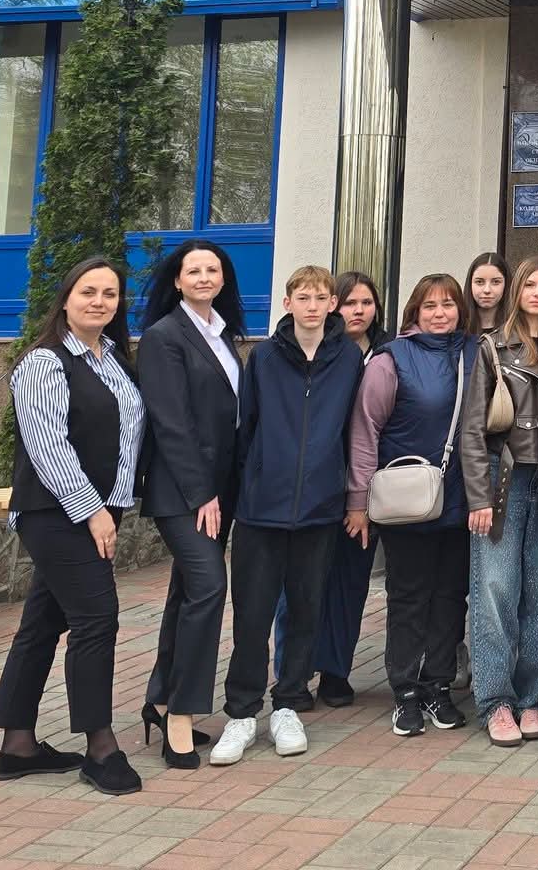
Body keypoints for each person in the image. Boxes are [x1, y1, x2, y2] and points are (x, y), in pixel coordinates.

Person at [0, 257, 146, 796]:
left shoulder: (112, 359)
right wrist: (93, 511)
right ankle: (101, 749)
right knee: (97, 619)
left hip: (99, 509)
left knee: (42, 623)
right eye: (88, 292)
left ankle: (17, 746)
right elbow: (47, 444)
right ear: (66, 298)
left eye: (110, 294)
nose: (99, 301)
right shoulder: (44, 362)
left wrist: (114, 503)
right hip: (57, 513)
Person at [211, 267, 360, 766]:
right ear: (287, 302)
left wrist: (345, 491)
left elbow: (352, 429)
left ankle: (289, 703)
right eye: (303, 297)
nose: (312, 306)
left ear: (333, 304)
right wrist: (246, 489)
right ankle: (241, 712)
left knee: (304, 611)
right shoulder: (265, 357)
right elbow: (246, 427)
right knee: (252, 614)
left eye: (321, 298)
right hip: (262, 509)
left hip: (320, 508)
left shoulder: (349, 359)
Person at [345, 274, 480, 739]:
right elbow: (365, 431)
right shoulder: (391, 359)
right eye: (430, 306)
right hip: (406, 500)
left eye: (448, 304)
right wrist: (358, 499)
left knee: (450, 598)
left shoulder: (476, 352)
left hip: (462, 499)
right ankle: (404, 690)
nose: (440, 313)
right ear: (414, 313)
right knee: (408, 597)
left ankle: (438, 685)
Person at [136, 240, 244, 768]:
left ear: (223, 279)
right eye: (193, 270)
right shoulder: (163, 336)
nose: (204, 277)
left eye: (212, 269)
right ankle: (182, 712)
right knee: (208, 587)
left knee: (186, 593)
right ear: (177, 281)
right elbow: (171, 422)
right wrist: (202, 493)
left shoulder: (222, 335)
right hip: (184, 492)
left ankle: (159, 698)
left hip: (219, 491)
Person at [461, 257, 538, 746]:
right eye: (531, 285)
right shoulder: (492, 347)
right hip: (502, 478)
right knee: (495, 589)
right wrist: (478, 495)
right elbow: (472, 428)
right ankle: (496, 701)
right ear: (518, 291)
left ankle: (531, 697)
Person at [303, 272, 389, 706]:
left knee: (351, 581)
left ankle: (335, 671)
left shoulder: (389, 353)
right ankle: (296, 671)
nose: (358, 311)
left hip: (368, 485)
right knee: (303, 583)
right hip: (319, 482)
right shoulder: (320, 349)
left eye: (366, 303)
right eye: (350, 302)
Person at [468, 252, 510, 336]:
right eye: (479, 282)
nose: (487, 290)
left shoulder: (518, 328)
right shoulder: (456, 327)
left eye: (496, 282)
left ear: (506, 284)